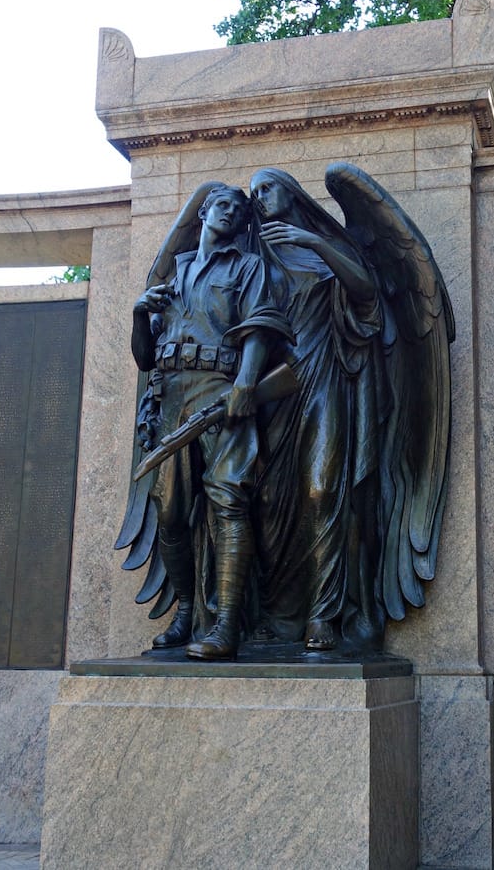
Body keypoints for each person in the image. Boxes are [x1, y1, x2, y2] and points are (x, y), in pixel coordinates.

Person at [130, 184, 291, 660]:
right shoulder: (175, 275)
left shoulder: (248, 267)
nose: (232, 213)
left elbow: (260, 324)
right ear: (204, 211)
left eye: (240, 211)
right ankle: (186, 612)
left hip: (222, 394)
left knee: (228, 503)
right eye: (223, 204)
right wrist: (140, 315)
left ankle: (226, 626)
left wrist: (245, 382)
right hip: (173, 398)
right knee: (170, 513)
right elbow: (144, 358)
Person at [249, 168, 384, 650]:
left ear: (290, 191)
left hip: (323, 377)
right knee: (267, 504)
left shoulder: (323, 246)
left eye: (266, 188)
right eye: (253, 193)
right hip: (270, 390)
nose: (258, 198)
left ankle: (323, 616)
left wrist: (317, 242)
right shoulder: (253, 254)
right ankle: (278, 616)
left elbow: (365, 292)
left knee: (322, 490)